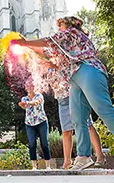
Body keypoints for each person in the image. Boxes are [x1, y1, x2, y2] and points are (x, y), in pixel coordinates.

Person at [15, 16, 114, 170]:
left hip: (89, 69)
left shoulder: (72, 33)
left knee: (104, 111)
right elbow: (47, 51)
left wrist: (26, 42)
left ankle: (87, 155)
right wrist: (27, 46)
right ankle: (83, 156)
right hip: (75, 78)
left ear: (68, 24)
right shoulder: (64, 46)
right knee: (78, 118)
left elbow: (49, 41)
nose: (58, 28)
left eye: (60, 25)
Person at [46, 67, 105, 169]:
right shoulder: (48, 66)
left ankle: (100, 155)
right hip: (62, 99)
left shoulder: (65, 60)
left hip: (76, 95)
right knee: (66, 131)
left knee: (88, 125)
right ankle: (67, 162)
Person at [18, 80, 51, 170]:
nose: (29, 87)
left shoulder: (39, 96)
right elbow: (24, 106)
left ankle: (48, 166)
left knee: (44, 144)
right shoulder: (24, 98)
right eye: (27, 86)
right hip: (29, 124)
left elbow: (36, 102)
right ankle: (34, 167)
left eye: (31, 86)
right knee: (32, 144)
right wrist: (23, 105)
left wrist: (28, 103)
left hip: (41, 122)